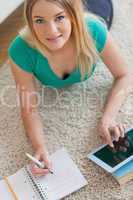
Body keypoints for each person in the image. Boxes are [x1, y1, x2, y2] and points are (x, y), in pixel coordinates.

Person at [8, 0, 132, 177]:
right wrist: (40, 147)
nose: (51, 31)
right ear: (30, 21)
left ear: (73, 16)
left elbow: (125, 75)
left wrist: (108, 118)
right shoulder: (20, 50)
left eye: (59, 18)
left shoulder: (93, 29)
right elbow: (29, 108)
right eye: (39, 20)